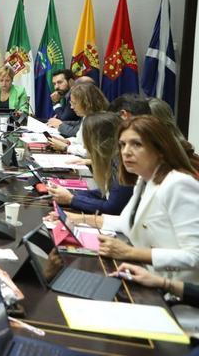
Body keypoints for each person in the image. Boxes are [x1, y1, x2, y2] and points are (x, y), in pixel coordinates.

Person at [51, 115, 199, 283]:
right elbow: (125, 222)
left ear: (160, 148)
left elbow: (195, 256)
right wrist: (76, 219)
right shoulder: (144, 180)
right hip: (144, 274)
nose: (126, 151)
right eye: (122, 145)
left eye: (136, 144)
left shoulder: (178, 184)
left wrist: (129, 252)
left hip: (176, 293)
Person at [46, 112, 133, 215]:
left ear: (99, 141)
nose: (85, 146)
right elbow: (106, 194)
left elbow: (112, 208)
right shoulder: (114, 159)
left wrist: (71, 199)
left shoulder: (122, 165)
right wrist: (71, 194)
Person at [46, 83, 108, 157]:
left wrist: (66, 147)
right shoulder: (86, 116)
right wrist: (67, 141)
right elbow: (80, 140)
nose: (72, 107)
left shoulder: (99, 121)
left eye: (74, 103)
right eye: (71, 103)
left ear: (86, 103)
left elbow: (90, 153)